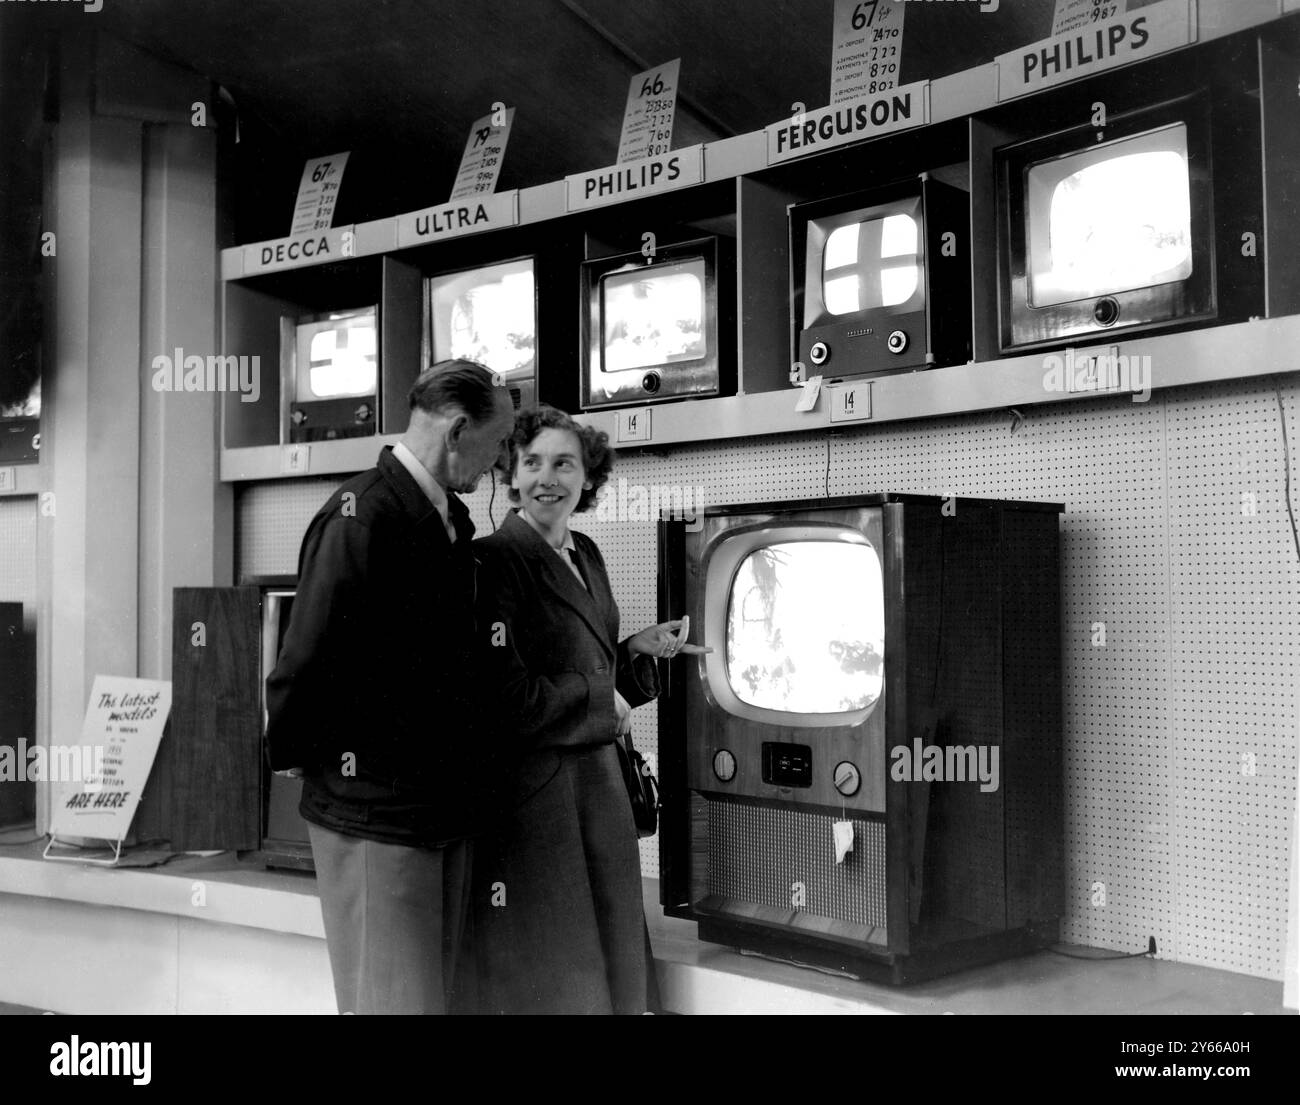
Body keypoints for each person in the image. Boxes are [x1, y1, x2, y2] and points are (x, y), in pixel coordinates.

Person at [265, 359, 515, 1015]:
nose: (499, 464)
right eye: (498, 443)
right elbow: (303, 671)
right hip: (378, 816)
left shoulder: (445, 521)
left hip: (435, 812)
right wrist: (335, 776)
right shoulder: (361, 518)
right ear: (460, 430)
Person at [470, 404, 708, 1014]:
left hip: (600, 794)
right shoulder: (494, 561)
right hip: (539, 805)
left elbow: (591, 667)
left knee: (613, 962)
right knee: (564, 969)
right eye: (532, 464)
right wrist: (611, 698)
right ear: (511, 475)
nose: (547, 478)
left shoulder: (588, 553)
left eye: (564, 464)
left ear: (587, 477)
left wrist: (638, 650)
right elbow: (507, 702)